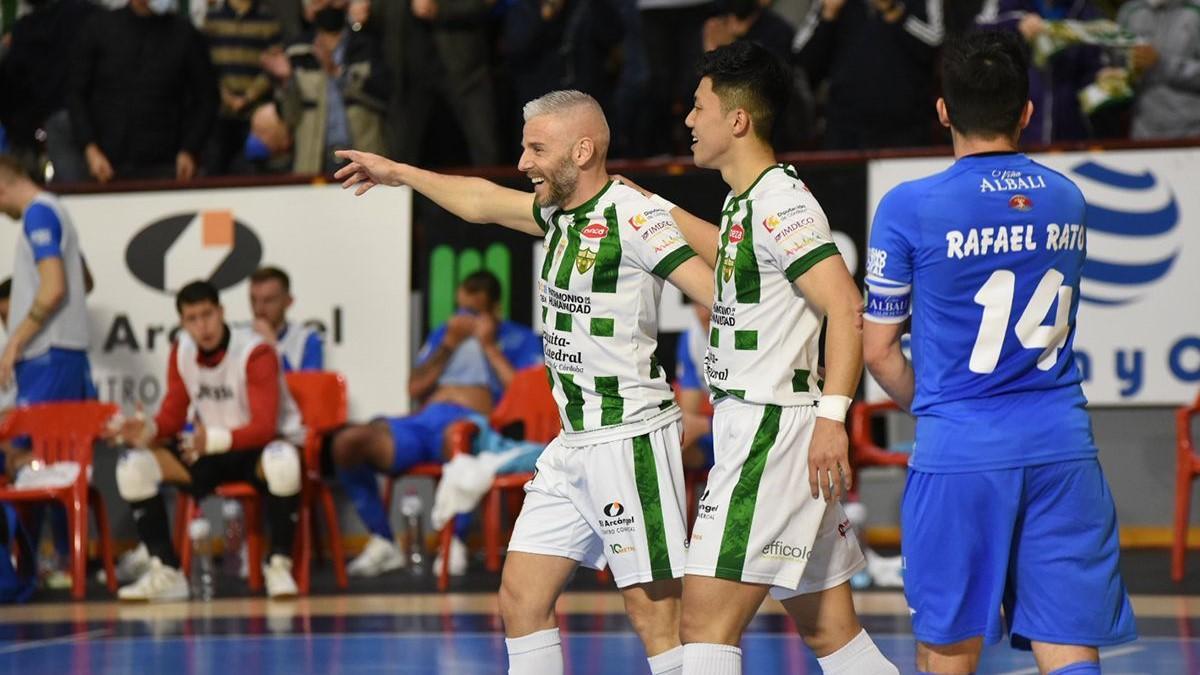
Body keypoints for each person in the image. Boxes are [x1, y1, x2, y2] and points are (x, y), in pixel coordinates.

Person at [334, 89, 714, 675]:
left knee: (656, 619)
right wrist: (399, 173)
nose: (523, 162)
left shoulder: (634, 217)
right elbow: (481, 200)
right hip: (571, 445)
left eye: (537, 148)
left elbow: (714, 292)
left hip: (629, 440)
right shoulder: (558, 215)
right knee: (520, 599)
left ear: (582, 150)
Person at [862, 31, 1136, 674]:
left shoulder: (909, 206)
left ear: (942, 111)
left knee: (948, 649)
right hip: (1062, 448)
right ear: (1027, 111)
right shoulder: (1067, 197)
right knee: (1069, 644)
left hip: (961, 452)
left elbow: (879, 352)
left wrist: (934, 403)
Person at [628, 42, 895, 674]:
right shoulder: (751, 200)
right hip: (769, 427)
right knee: (831, 631)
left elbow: (844, 304)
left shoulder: (781, 202)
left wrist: (833, 419)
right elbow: (734, 253)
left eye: (699, 108)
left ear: (738, 119)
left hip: (772, 430)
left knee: (702, 623)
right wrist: (648, 205)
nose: (688, 121)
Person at [326, 270, 542, 578]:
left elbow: (530, 396)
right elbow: (415, 388)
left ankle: (453, 541)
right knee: (348, 442)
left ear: (495, 310)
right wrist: (449, 345)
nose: (465, 319)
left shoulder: (519, 337)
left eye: (474, 312)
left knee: (459, 440)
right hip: (424, 423)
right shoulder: (445, 335)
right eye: (461, 310)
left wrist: (490, 346)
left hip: (469, 425)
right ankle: (383, 541)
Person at [108, 280, 305, 600]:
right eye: (192, 319)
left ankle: (279, 565)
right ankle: (167, 572)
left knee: (283, 462)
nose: (202, 326)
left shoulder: (256, 352)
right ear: (182, 323)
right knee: (133, 465)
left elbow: (265, 426)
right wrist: (148, 431)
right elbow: (174, 413)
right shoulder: (182, 351)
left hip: (257, 450)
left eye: (207, 315)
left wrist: (212, 440)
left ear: (222, 312)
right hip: (209, 449)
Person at [67, 0, 217, 182]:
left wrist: (190, 149)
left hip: (168, 165)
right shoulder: (99, 27)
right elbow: (76, 94)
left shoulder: (184, 34)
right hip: (106, 164)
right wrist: (90, 148)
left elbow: (207, 98)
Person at [792, 0, 945, 150]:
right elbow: (803, 62)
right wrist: (828, 15)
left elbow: (936, 47)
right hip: (844, 131)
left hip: (906, 130)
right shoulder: (830, 5)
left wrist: (893, 11)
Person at [1117, 0, 1200, 140]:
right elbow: (1116, 61)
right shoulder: (1130, 11)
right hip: (1142, 133)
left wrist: (1161, 64)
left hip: (1192, 133)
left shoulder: (1195, 11)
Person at [249, 266, 323, 372]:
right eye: (253, 300)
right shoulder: (237, 338)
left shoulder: (307, 340)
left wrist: (274, 346)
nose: (259, 308)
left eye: (268, 300)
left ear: (288, 301)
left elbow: (307, 387)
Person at [674, 301, 713, 472]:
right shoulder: (691, 338)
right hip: (720, 430)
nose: (702, 308)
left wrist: (706, 425)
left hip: (759, 432)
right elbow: (689, 417)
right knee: (673, 448)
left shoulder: (745, 335)